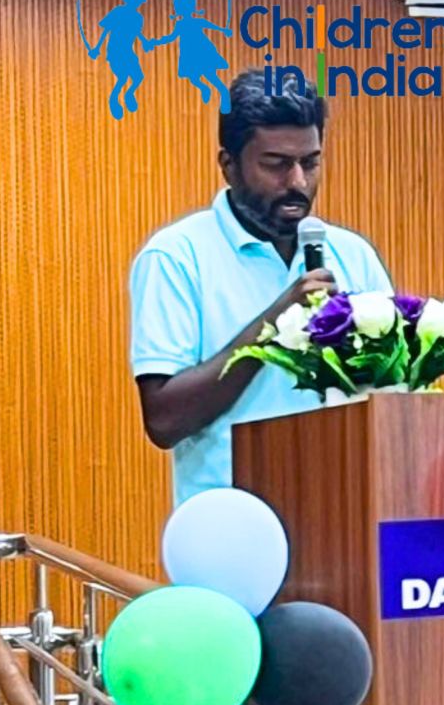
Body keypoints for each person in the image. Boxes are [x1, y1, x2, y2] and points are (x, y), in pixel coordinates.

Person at [129, 73, 392, 505]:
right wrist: (276, 322)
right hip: (232, 523)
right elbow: (164, 421)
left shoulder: (353, 253)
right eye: (276, 164)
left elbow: (391, 394)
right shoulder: (176, 257)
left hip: (344, 513)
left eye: (310, 162)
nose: (298, 182)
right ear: (228, 165)